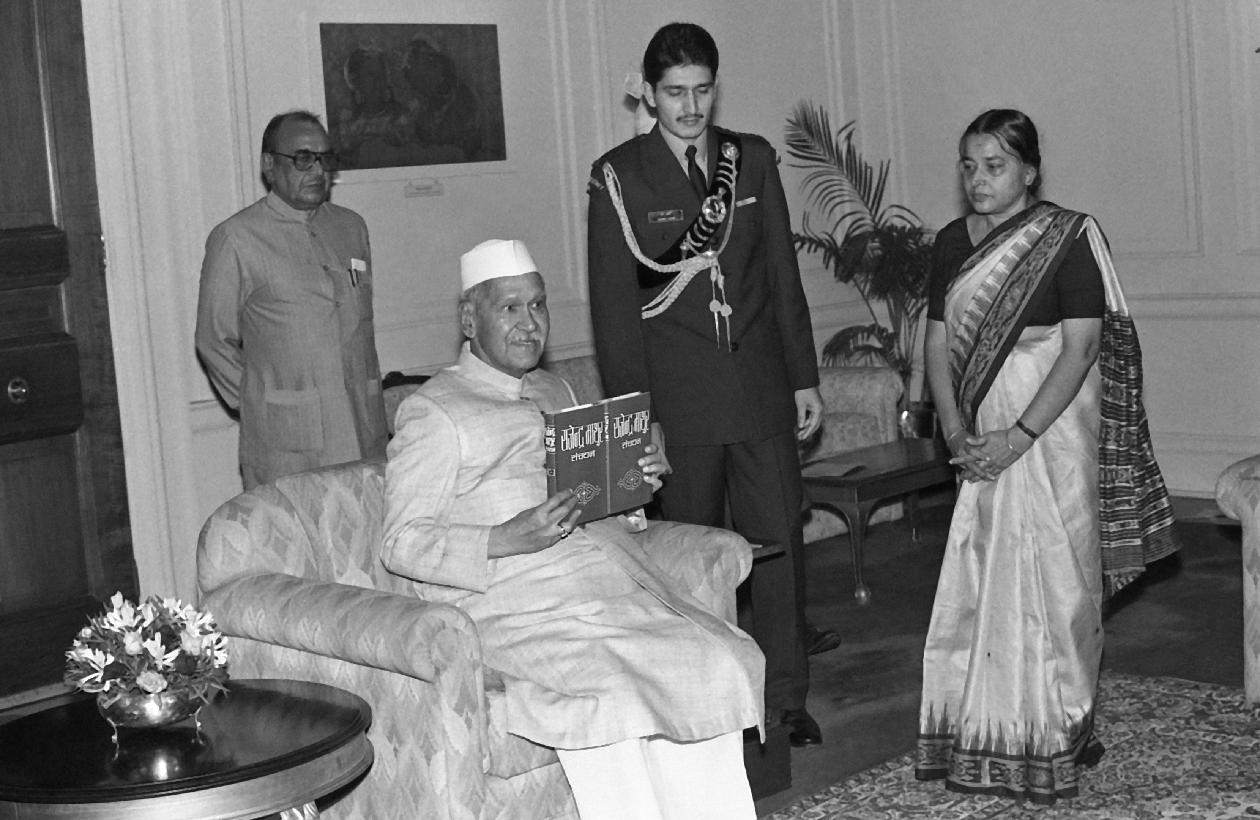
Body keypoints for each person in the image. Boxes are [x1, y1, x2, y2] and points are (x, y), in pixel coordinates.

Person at [382, 238, 764, 820]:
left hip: (604, 591)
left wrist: (633, 483)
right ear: (469, 320)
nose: (529, 323)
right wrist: (503, 538)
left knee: (713, 661)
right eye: (510, 308)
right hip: (520, 609)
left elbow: (592, 499)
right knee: (612, 693)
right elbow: (401, 541)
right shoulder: (434, 411)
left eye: (538, 305)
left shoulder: (554, 390)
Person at [915, 109, 1177, 803]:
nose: (978, 179)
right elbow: (937, 340)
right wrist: (953, 429)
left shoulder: (1069, 238)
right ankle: (985, 724)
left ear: (1029, 171)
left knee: (1060, 577)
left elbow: (1081, 348)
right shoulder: (951, 243)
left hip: (1051, 432)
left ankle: (1065, 723)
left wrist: (1019, 435)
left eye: (994, 166)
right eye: (968, 166)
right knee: (982, 570)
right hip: (978, 434)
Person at [586, 21, 832, 747]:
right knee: (692, 560)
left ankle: (787, 699)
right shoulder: (619, 176)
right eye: (674, 93)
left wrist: (803, 376)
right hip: (681, 403)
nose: (690, 108)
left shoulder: (749, 160)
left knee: (779, 547)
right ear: (649, 93)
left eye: (701, 91)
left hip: (759, 390)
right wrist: (639, 416)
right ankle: (715, 705)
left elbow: (781, 274)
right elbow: (614, 313)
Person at [195, 110, 387, 489]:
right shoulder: (237, 238)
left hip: (363, 430)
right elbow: (212, 340)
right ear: (269, 165)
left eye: (325, 159)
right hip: (289, 447)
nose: (317, 170)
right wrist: (261, 404)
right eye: (302, 159)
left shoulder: (351, 227)